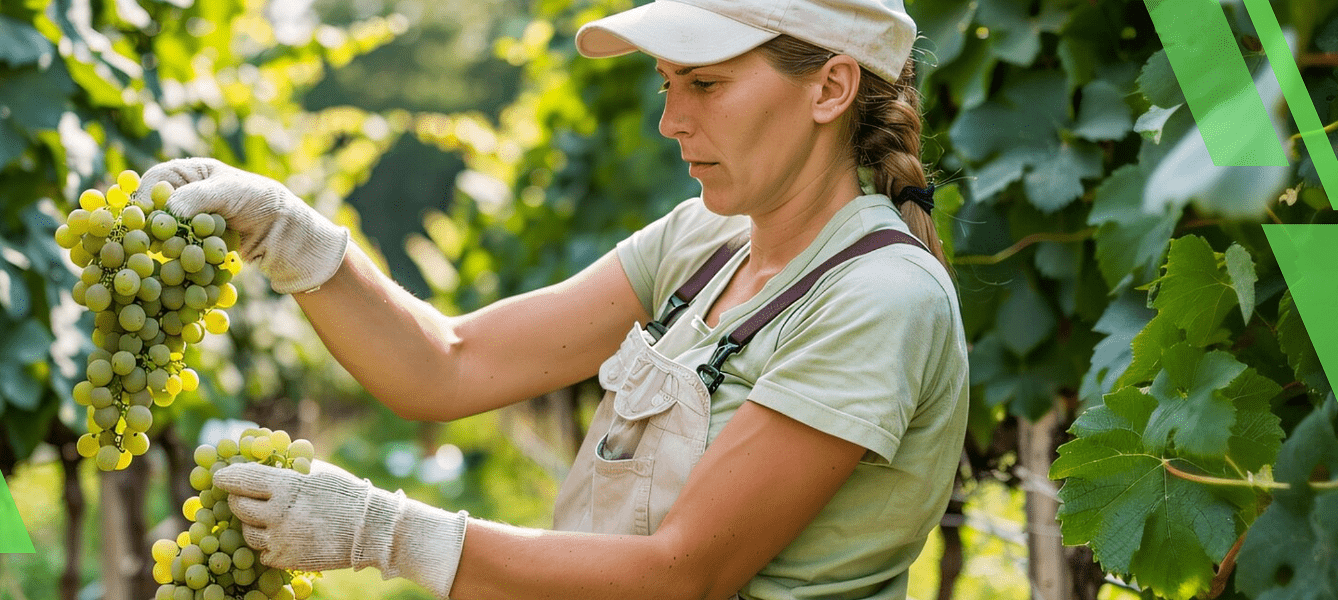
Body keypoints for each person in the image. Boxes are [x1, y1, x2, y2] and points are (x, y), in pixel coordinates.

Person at [133, 0, 968, 598]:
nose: (671, 120)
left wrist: (383, 533)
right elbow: (448, 366)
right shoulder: (701, 243)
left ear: (830, 89)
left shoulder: (878, 299)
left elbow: (684, 574)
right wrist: (289, 234)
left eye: (706, 84)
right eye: (666, 84)